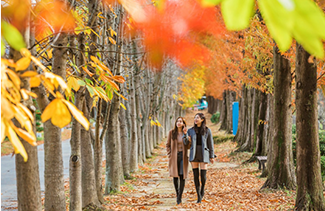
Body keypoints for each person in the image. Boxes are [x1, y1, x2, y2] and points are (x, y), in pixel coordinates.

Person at [183, 113, 214, 203]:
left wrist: (211, 156)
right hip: (194, 153)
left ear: (202, 119)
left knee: (203, 176)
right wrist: (185, 135)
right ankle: (199, 196)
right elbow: (185, 143)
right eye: (195, 118)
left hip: (204, 153)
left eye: (197, 118)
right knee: (195, 175)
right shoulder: (190, 130)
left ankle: (202, 189)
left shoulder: (208, 131)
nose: (195, 119)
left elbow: (210, 144)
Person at [166, 117, 189, 205]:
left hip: (183, 156)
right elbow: (167, 145)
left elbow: (188, 145)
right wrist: (170, 155)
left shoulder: (185, 133)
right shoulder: (171, 133)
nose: (178, 123)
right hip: (174, 157)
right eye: (177, 121)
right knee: (175, 176)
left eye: (180, 121)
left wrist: (186, 135)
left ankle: (179, 196)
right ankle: (177, 194)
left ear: (183, 124)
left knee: (182, 175)